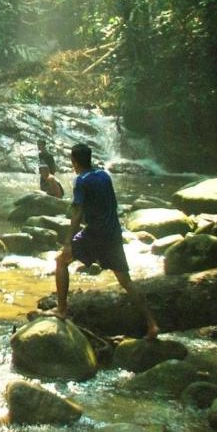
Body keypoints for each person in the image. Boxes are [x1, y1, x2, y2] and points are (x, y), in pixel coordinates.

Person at [55, 143, 159, 339]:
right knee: (126, 281)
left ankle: (61, 310)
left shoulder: (81, 181)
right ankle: (152, 324)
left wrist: (68, 241)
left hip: (94, 234)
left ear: (74, 162)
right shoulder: (104, 175)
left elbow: (77, 213)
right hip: (113, 234)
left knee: (61, 260)